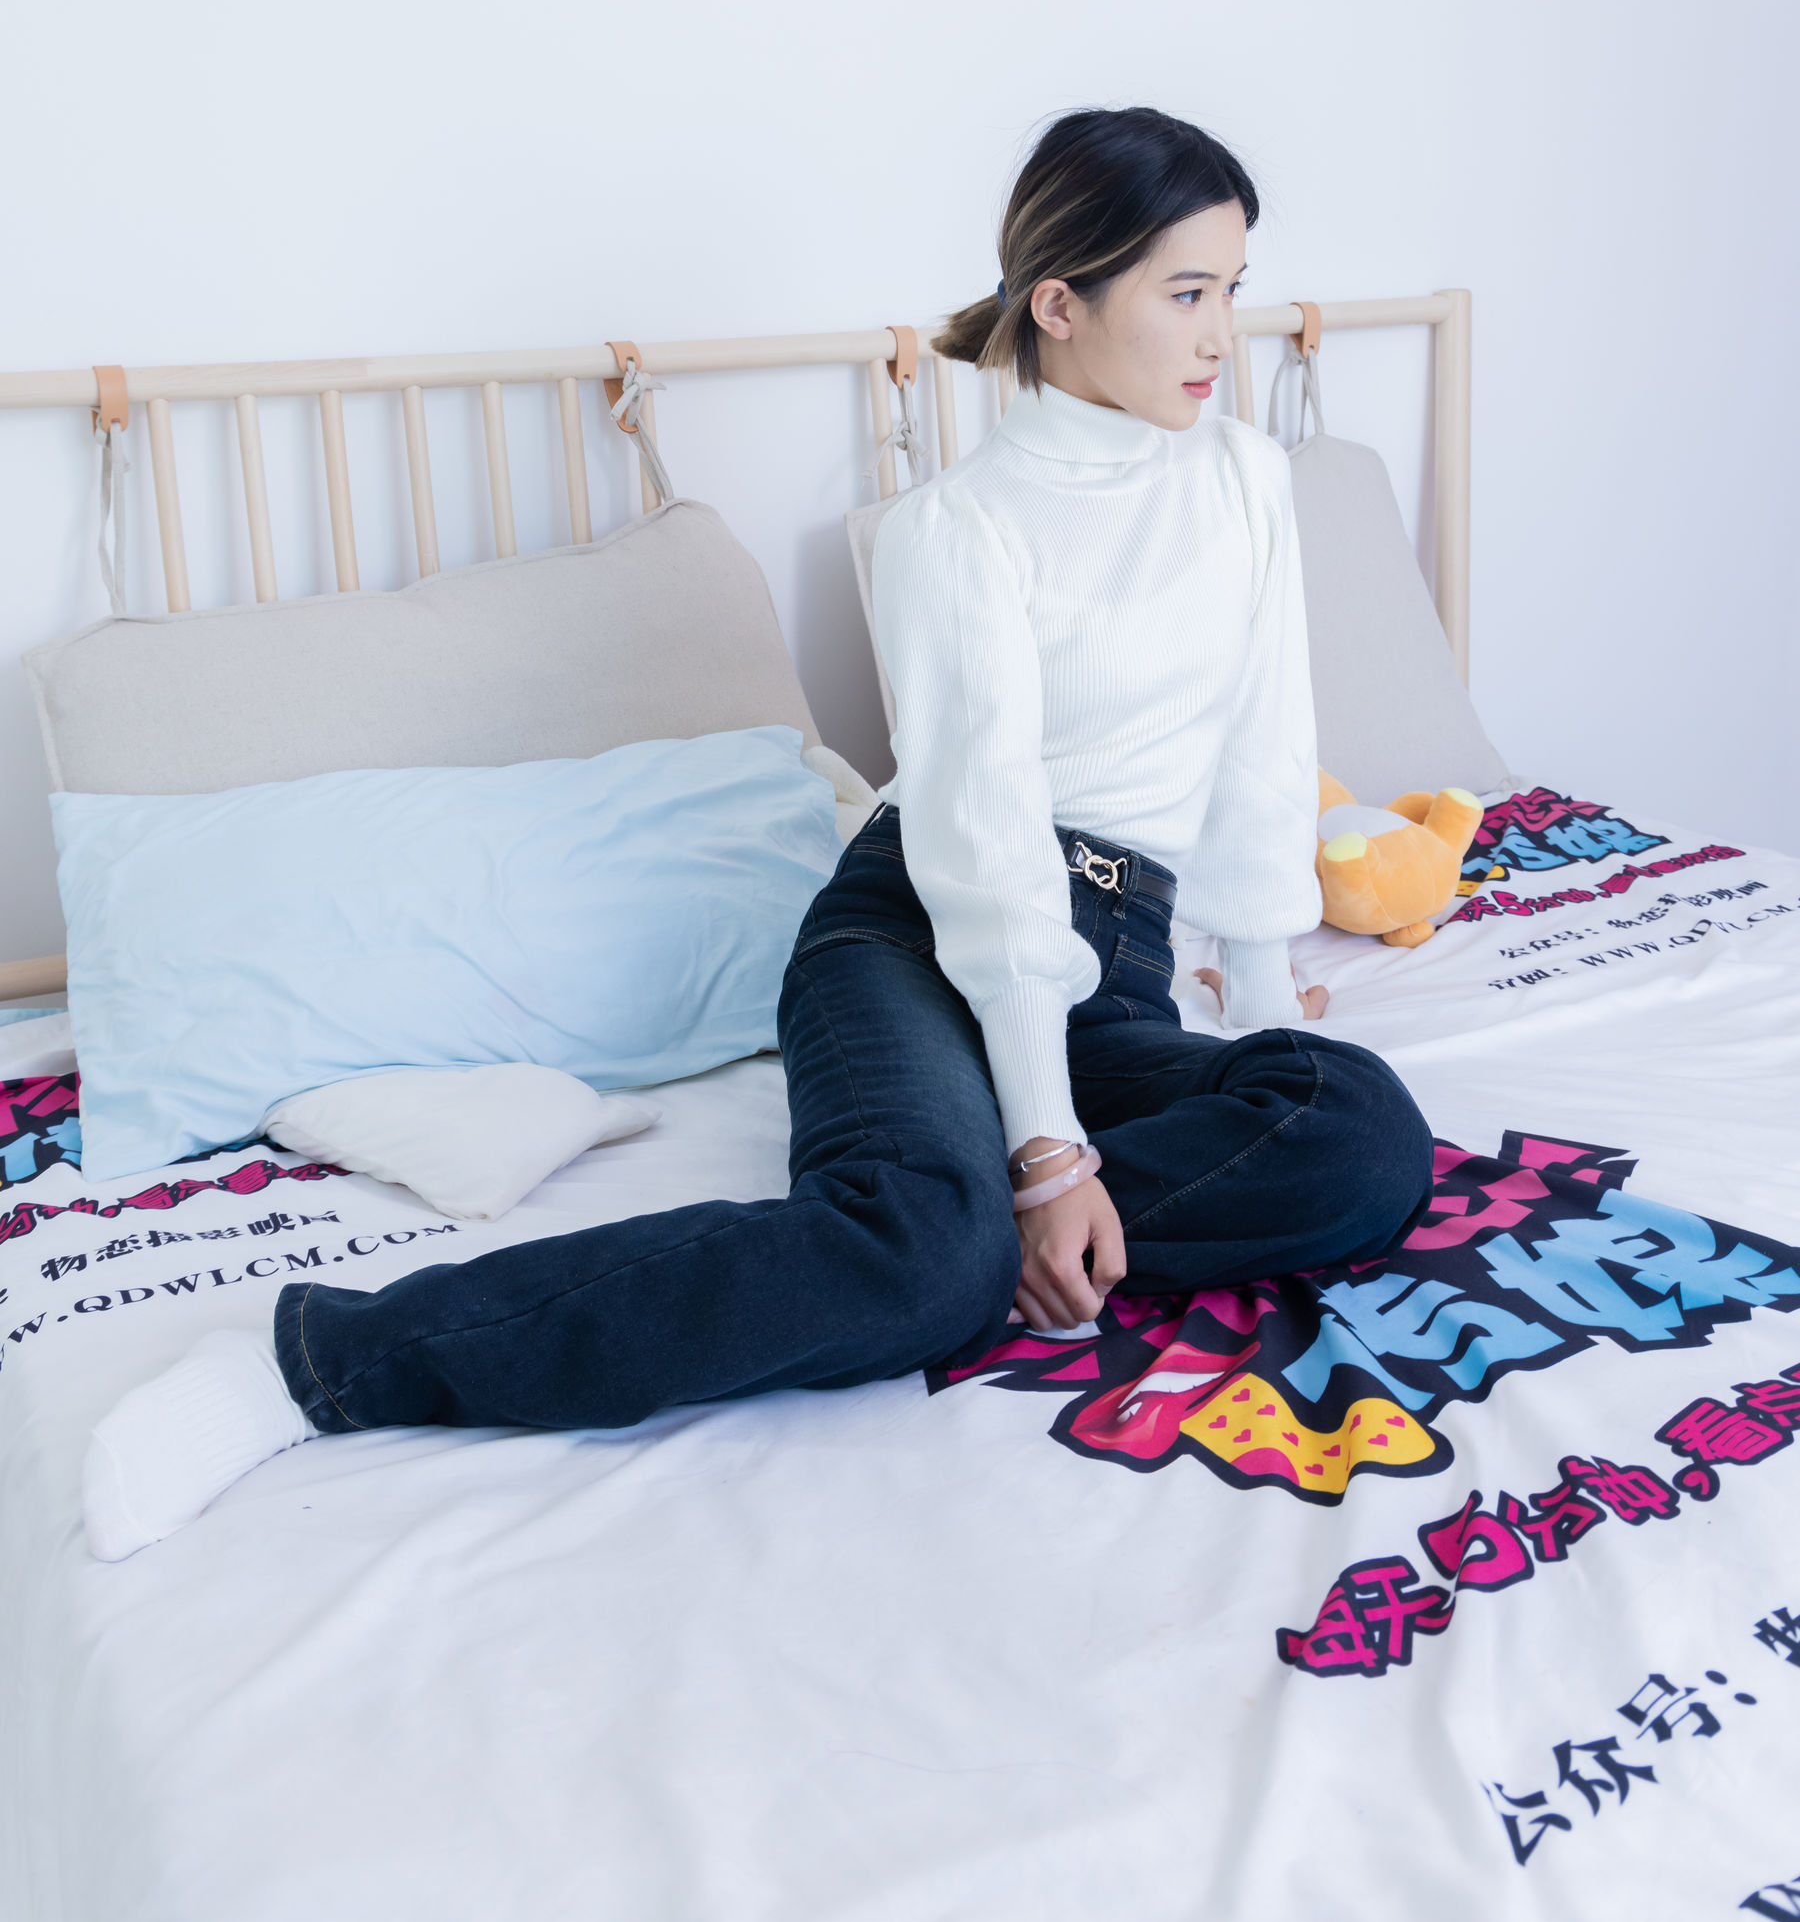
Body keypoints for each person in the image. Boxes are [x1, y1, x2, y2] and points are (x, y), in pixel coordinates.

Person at [82, 105, 1433, 1560]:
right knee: (927, 1253)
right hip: (919, 934)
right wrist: (1049, 1156)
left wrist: (1257, 992)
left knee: (1357, 1130)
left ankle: (967, 1226)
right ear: (1060, 302)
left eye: (1234, 288)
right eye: (1187, 291)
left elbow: (1264, 749)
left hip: (1112, 957)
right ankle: (316, 1362)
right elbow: (983, 842)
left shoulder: (1241, 478)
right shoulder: (958, 528)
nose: (1222, 332)